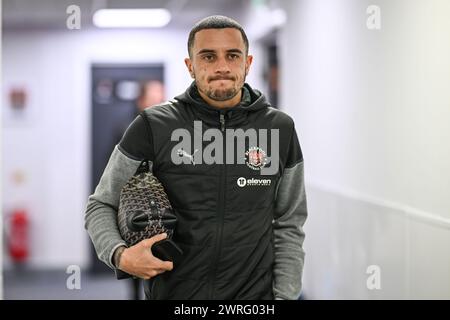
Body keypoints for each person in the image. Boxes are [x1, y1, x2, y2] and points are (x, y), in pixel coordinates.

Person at [84, 15, 308, 300]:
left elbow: (289, 221)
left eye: (232, 55)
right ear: (190, 66)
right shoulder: (153, 126)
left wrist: (284, 296)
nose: (222, 67)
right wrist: (120, 255)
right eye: (208, 56)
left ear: (248, 64)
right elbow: (101, 204)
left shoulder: (280, 129)